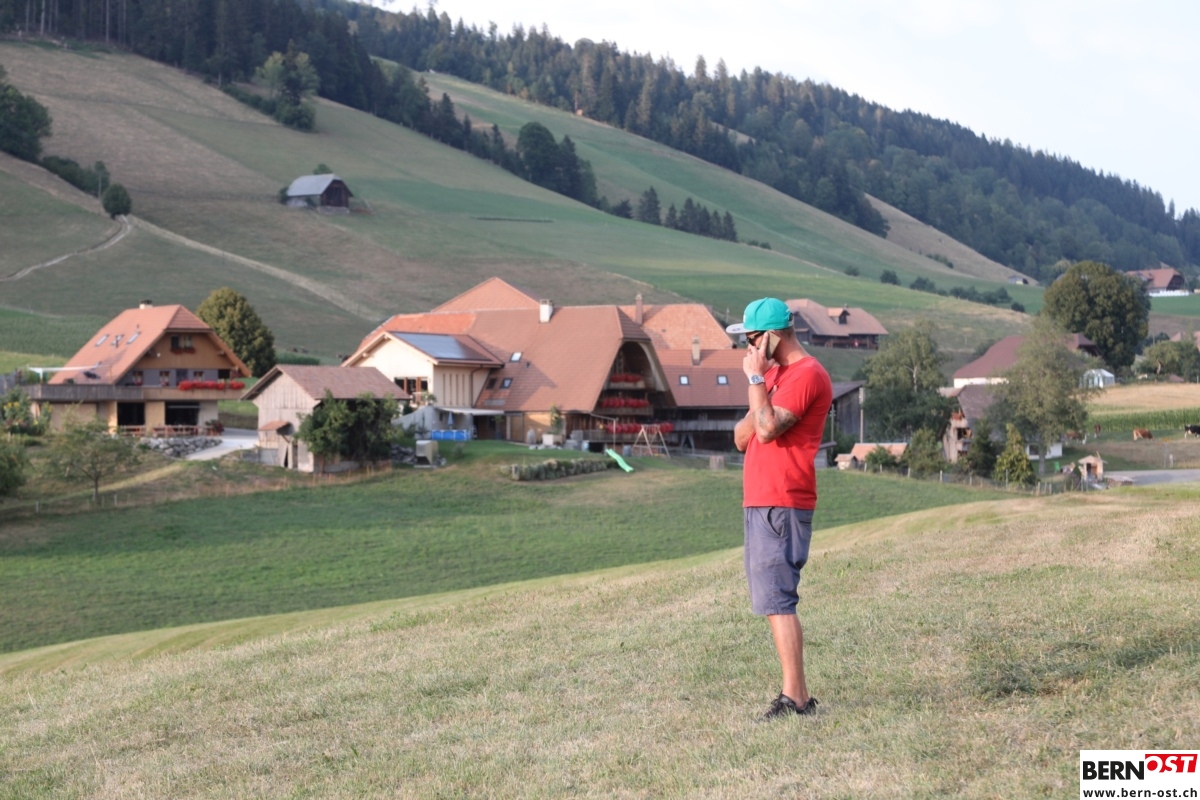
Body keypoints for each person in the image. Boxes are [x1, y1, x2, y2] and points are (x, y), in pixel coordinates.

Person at [729, 297, 833, 719]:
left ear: (773, 336)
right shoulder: (774, 376)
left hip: (782, 498)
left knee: (778, 599)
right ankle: (799, 696)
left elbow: (766, 429)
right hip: (761, 498)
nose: (749, 347)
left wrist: (756, 381)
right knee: (771, 599)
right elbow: (741, 436)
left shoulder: (807, 375)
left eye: (752, 338)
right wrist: (761, 391)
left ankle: (795, 699)